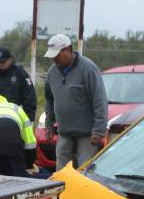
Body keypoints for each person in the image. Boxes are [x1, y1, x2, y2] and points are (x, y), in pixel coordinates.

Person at [43, 33, 107, 171]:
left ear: (68, 49)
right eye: (52, 55)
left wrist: (98, 131)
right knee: (61, 171)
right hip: (64, 132)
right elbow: (49, 100)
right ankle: (63, 193)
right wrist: (48, 125)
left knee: (84, 172)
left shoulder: (88, 68)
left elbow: (99, 100)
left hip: (87, 135)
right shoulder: (52, 73)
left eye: (57, 54)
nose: (54, 59)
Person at [0, 47, 37, 122]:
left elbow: (30, 98)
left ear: (10, 60)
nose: (0, 64)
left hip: (16, 118)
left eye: (3, 62)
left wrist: (29, 119)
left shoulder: (21, 75)